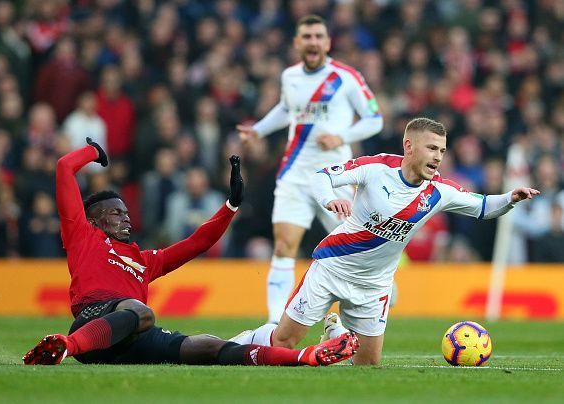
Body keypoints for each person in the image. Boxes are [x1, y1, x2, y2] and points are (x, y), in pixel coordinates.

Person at [22, 138, 358, 367]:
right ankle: (65, 346)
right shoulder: (83, 236)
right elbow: (65, 168)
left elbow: (197, 243)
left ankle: (307, 357)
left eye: (126, 212)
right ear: (93, 220)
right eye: (115, 212)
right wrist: (94, 152)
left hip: (132, 339)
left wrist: (230, 205)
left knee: (208, 345)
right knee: (142, 311)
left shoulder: (143, 260)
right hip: (94, 322)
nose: (124, 217)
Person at [231, 117, 539, 365]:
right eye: (432, 148)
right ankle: (240, 343)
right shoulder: (377, 167)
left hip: (375, 286)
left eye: (442, 151)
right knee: (282, 343)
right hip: (331, 269)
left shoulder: (440, 192)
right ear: (409, 146)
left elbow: (483, 207)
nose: (438, 157)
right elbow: (321, 176)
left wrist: (511, 198)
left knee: (366, 366)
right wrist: (328, 200)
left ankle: (334, 332)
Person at [237, 15, 383, 324]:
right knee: (283, 245)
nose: (313, 41)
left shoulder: (346, 77)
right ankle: (276, 325)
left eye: (319, 36)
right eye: (307, 36)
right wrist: (259, 130)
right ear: (297, 43)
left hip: (336, 176)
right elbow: (286, 109)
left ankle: (374, 294)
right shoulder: (290, 76)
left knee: (352, 246)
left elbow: (375, 119)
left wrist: (341, 136)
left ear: (328, 42)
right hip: (295, 175)